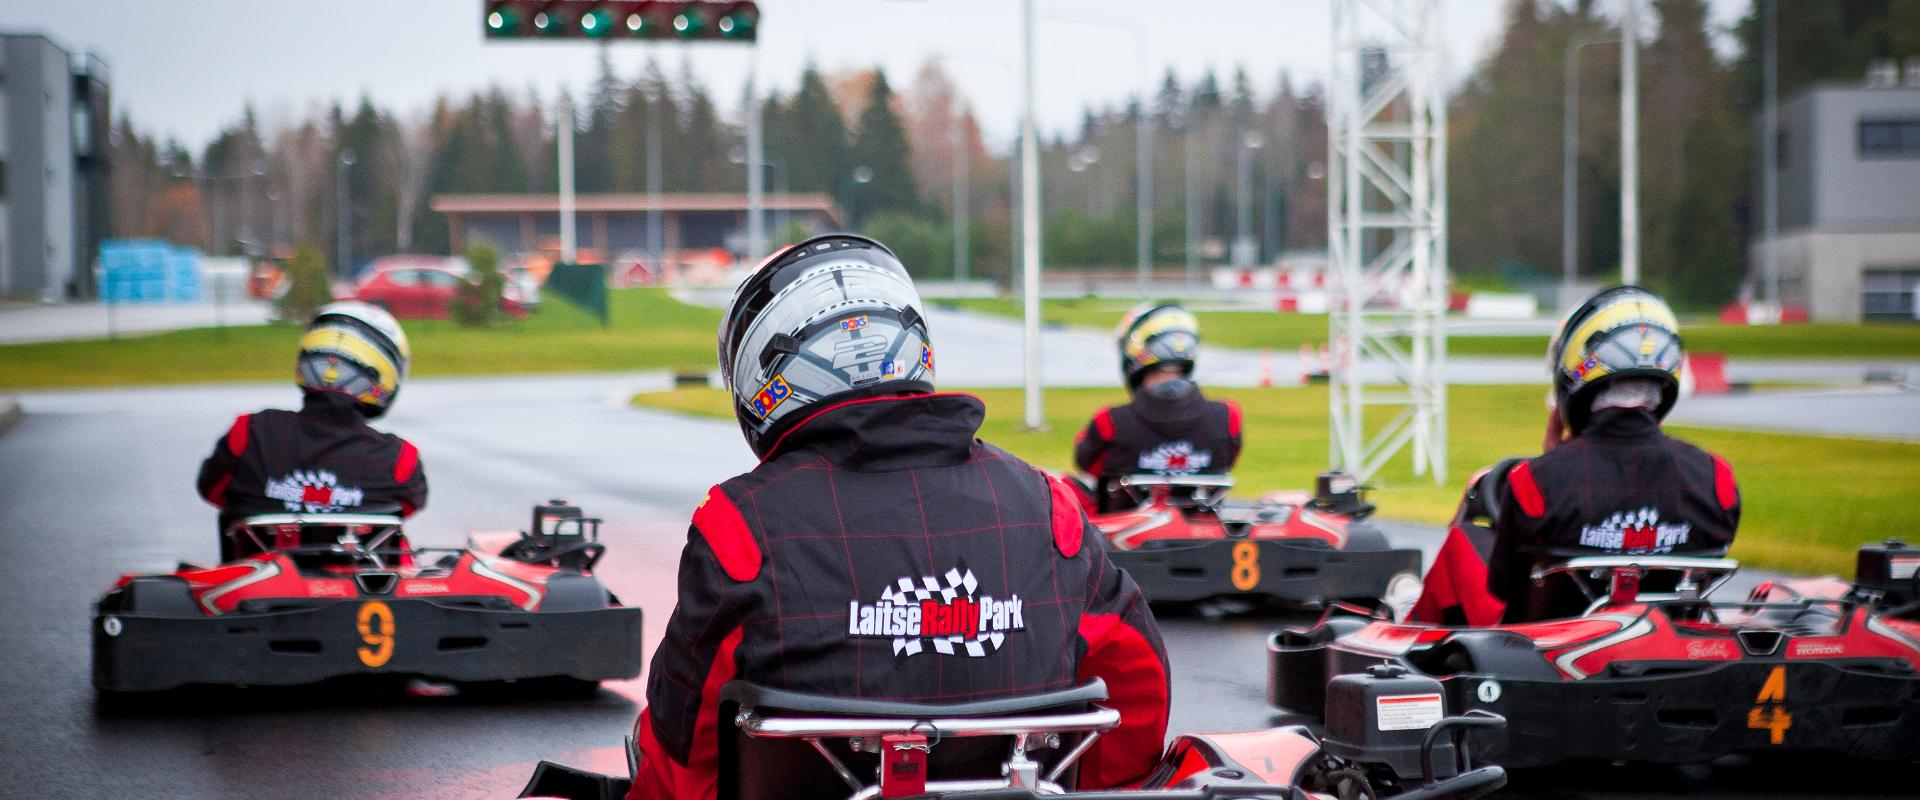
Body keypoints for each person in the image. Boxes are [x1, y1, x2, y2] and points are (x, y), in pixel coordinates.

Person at [629, 235, 1170, 800]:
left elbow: (681, 744)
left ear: (769, 375)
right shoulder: (1047, 505)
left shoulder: (739, 526)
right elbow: (1140, 680)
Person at [1411, 286, 1741, 625]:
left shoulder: (1534, 483)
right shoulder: (1717, 479)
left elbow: (1502, 588)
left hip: (1545, 650)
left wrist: (1549, 466)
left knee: (1463, 540)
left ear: (1578, 366)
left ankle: (1407, 648)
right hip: (1669, 638)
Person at [195, 301, 427, 560]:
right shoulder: (398, 459)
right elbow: (408, 506)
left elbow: (212, 490)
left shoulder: (250, 434)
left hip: (259, 592)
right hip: (366, 595)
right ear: (383, 375)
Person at [1072, 303, 1242, 512]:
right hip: (1202, 531)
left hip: (1125, 536)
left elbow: (1086, 464)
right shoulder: (1228, 417)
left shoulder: (1110, 422)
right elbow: (1227, 461)